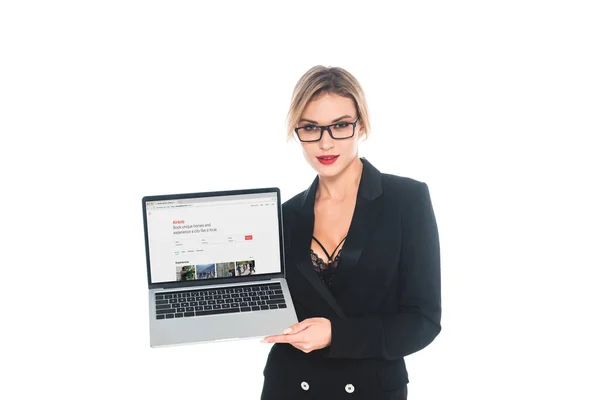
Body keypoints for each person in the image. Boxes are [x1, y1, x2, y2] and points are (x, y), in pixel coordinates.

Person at [260, 66, 441, 400]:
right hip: (291, 386)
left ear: (362, 126)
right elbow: (271, 304)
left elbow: (423, 321)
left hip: (371, 389)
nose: (325, 142)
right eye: (310, 127)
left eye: (340, 125)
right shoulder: (282, 216)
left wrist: (336, 335)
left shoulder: (406, 200)